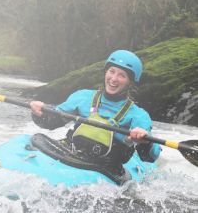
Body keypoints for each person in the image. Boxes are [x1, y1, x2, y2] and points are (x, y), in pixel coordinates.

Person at [30, 50, 161, 171]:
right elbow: (51, 122)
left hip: (105, 168)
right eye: (112, 71)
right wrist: (39, 114)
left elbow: (150, 156)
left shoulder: (138, 115)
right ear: (105, 72)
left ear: (131, 83)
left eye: (122, 75)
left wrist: (145, 141)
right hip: (71, 152)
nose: (114, 78)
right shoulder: (82, 97)